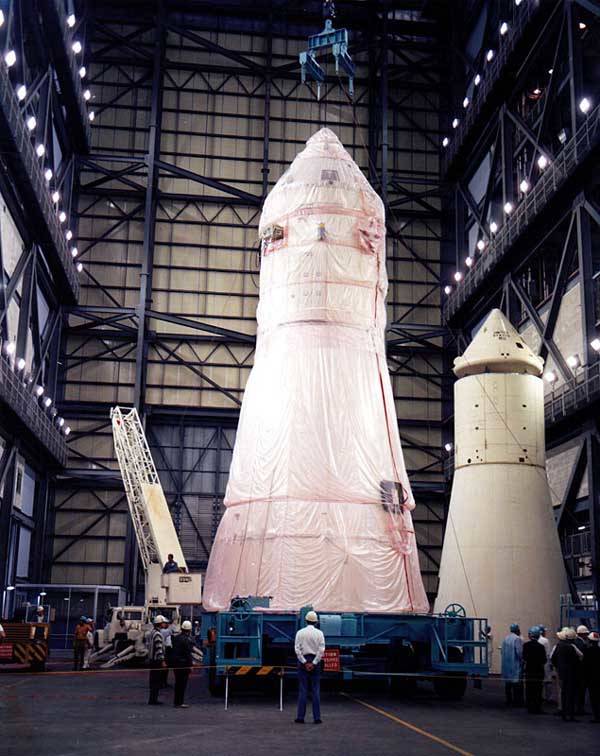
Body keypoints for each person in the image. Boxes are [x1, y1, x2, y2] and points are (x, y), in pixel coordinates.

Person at [294, 610, 325, 724]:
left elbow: (297, 649)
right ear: (316, 622)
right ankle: (317, 718)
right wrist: (314, 662)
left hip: (303, 662)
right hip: (315, 662)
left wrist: (304, 662)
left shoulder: (300, 633)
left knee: (303, 690)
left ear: (306, 620)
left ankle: (300, 717)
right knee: (316, 690)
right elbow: (321, 650)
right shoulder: (320, 633)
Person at [552, 627, 582, 722]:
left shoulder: (559, 646)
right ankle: (571, 715)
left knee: (564, 693)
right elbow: (576, 661)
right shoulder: (571, 647)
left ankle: (564, 714)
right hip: (572, 674)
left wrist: (558, 667)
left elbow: (553, 659)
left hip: (562, 673)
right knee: (571, 695)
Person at [522, 627, 546, 714]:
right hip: (539, 671)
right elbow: (544, 660)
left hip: (529, 670)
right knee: (538, 690)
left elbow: (524, 658)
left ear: (530, 635)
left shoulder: (526, 645)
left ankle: (529, 707)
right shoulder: (541, 647)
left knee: (529, 689)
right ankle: (537, 708)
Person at [171, 620, 195, 708]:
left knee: (177, 684)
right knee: (182, 685)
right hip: (184, 664)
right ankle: (180, 702)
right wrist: (191, 665)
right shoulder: (186, 640)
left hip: (176, 664)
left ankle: (176, 702)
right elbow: (187, 653)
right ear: (189, 630)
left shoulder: (176, 638)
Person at [501, 623, 523, 707]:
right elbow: (519, 652)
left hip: (507, 664)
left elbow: (502, 651)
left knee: (508, 684)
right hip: (515, 664)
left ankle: (508, 700)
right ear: (517, 629)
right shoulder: (517, 639)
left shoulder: (506, 638)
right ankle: (516, 702)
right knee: (516, 684)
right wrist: (522, 661)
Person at [148, 615, 167, 705]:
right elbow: (159, 648)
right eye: (163, 623)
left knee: (153, 681)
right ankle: (153, 700)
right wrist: (162, 660)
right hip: (157, 661)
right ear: (160, 623)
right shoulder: (158, 634)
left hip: (152, 660)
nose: (165, 624)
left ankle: (152, 699)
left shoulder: (152, 632)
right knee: (156, 681)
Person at [584, 631, 600, 723]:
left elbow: (584, 665)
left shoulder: (587, 651)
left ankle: (596, 716)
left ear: (590, 641)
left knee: (594, 698)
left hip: (591, 679)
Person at [575, 625, 590, 715]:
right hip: (581, 671)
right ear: (582, 634)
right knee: (581, 691)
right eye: (586, 634)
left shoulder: (576, 642)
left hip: (577, 671)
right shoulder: (581, 644)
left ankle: (579, 708)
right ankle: (580, 709)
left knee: (579, 691)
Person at [537, 625, 553, 702]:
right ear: (542, 632)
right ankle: (548, 697)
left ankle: (540, 696)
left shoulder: (536, 639)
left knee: (540, 682)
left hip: (538, 663)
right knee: (548, 681)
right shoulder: (545, 640)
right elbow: (548, 653)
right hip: (545, 662)